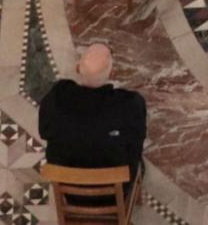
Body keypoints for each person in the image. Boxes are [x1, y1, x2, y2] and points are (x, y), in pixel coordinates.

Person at [40, 43, 146, 194]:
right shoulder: (130, 104)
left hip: (68, 191)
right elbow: (137, 144)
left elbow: (44, 131)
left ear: (77, 68)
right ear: (112, 73)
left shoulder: (58, 97)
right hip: (115, 193)